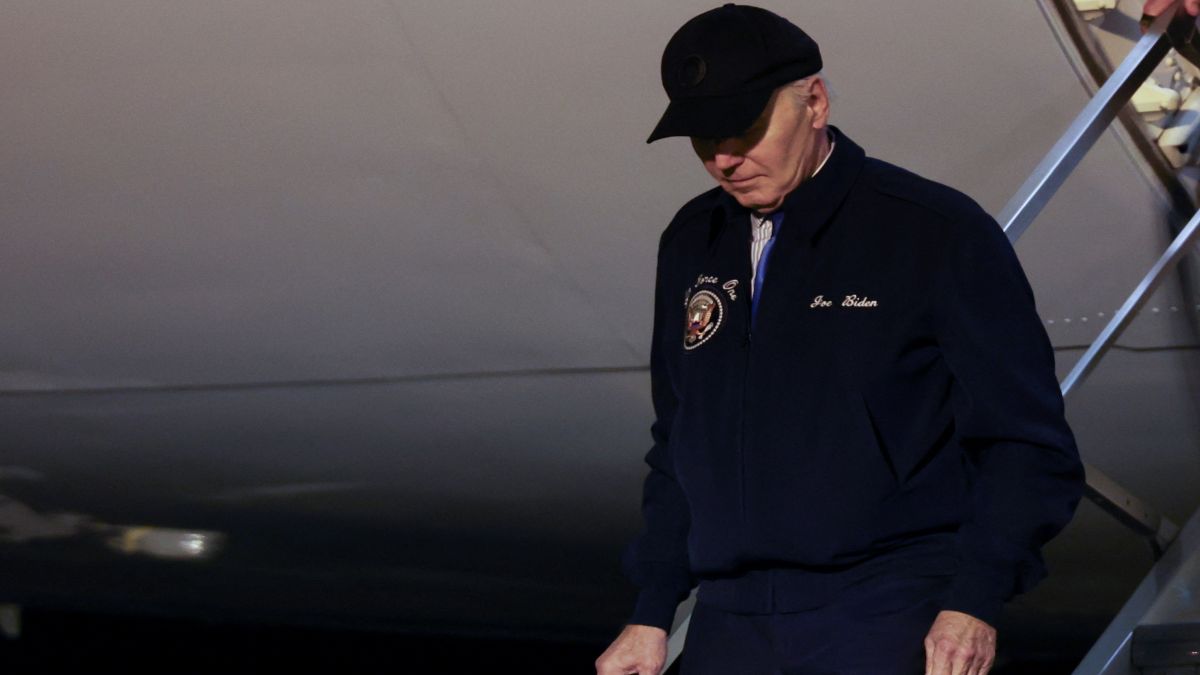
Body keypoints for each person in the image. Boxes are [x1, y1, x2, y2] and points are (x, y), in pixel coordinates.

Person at [594, 5, 1085, 675]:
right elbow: (679, 442)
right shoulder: (691, 241)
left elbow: (1024, 441)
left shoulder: (933, 232)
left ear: (815, 102)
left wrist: (974, 599)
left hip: (886, 611)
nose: (724, 159)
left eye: (744, 128)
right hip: (729, 623)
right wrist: (652, 609)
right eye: (704, 137)